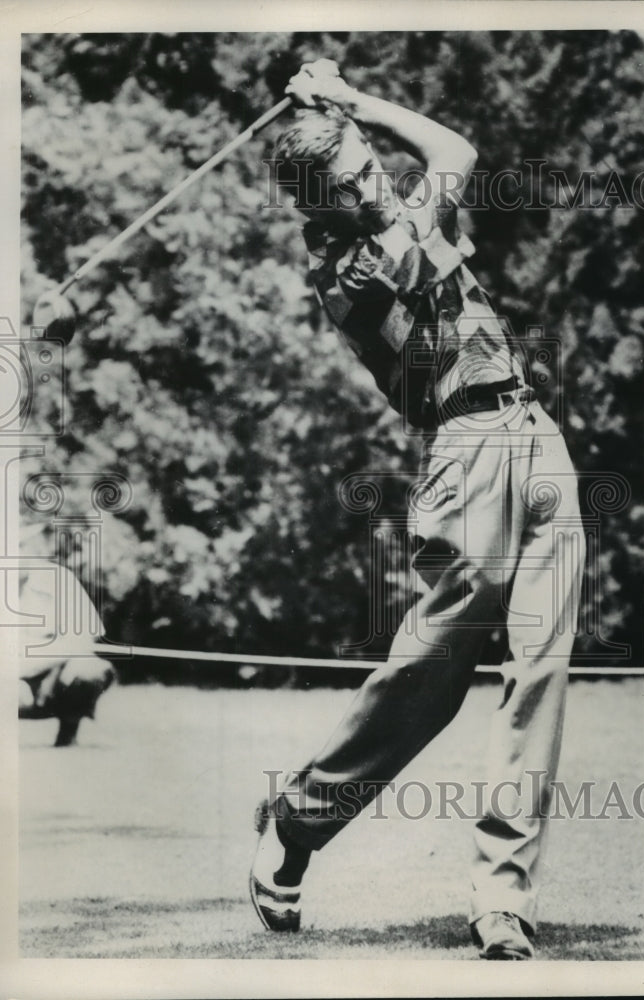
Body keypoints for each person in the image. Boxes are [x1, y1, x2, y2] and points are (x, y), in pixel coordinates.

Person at [250, 59, 584, 960]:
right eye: (355, 175)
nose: (373, 176)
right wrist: (346, 105)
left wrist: (348, 107)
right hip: (465, 459)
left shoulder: (384, 211)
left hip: (532, 433)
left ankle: (501, 899)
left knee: (539, 674)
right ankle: (299, 818)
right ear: (322, 200)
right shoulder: (353, 266)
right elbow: (456, 151)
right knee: (426, 684)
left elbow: (442, 154)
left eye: (369, 162)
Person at [18, 559, 114, 747]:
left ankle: (68, 734)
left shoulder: (58, 578)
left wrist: (52, 674)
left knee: (89, 669)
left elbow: (84, 639)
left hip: (49, 674)